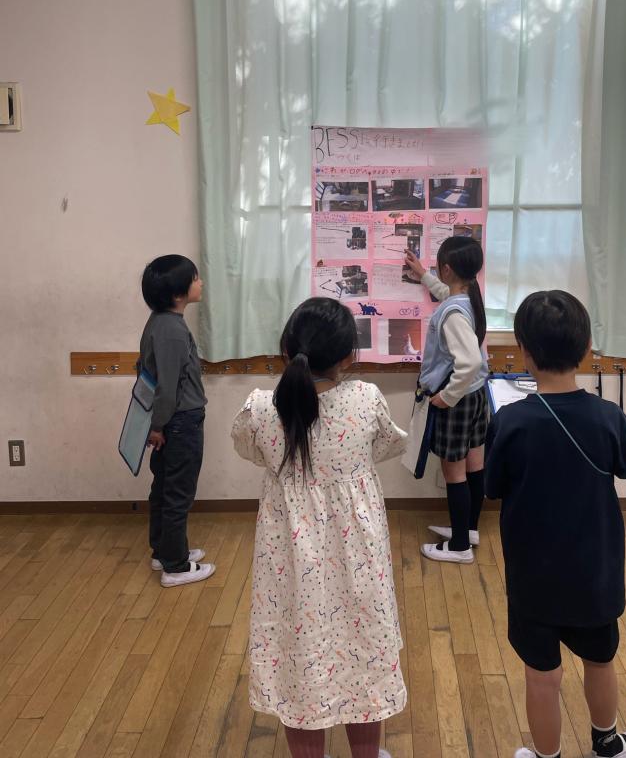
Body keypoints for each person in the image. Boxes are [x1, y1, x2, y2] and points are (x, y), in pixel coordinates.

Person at [231, 297, 407, 758]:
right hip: (358, 558)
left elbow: (249, 450)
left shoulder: (261, 408)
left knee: (299, 654)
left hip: (289, 561)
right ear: (348, 356)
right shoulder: (365, 399)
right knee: (362, 647)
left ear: (286, 349)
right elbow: (387, 446)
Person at [485, 290, 626, 758]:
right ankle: (608, 744)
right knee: (600, 661)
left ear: (524, 351)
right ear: (587, 347)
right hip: (595, 571)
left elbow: (493, 487)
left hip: (533, 576)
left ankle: (547, 756)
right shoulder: (609, 417)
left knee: (542, 676)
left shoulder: (511, 422)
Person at [403, 237, 489, 564]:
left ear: (448, 268)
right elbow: (446, 294)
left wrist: (446, 397)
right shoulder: (468, 296)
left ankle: (459, 547)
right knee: (474, 464)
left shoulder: (453, 312)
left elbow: (470, 362)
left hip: (458, 400)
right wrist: (424, 274)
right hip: (476, 395)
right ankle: (468, 530)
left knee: (455, 473)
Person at [139, 254, 215, 587]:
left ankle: (164, 551)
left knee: (164, 488)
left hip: (172, 420)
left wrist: (158, 424)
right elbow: (167, 387)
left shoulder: (161, 321)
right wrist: (158, 426)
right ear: (177, 293)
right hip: (180, 421)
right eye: (195, 278)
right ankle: (176, 566)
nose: (200, 282)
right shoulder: (170, 330)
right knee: (178, 494)